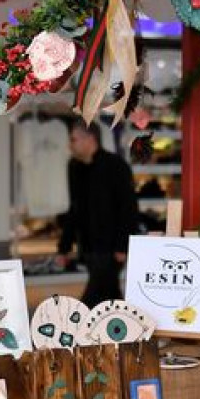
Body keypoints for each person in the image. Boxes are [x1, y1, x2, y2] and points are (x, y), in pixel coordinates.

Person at [56, 120, 139, 307]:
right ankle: (121, 329)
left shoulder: (116, 166)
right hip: (88, 245)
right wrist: (64, 247)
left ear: (90, 139)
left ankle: (80, 330)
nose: (70, 145)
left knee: (92, 299)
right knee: (109, 297)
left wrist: (122, 245)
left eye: (73, 139)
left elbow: (129, 208)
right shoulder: (74, 167)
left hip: (111, 247)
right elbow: (74, 208)